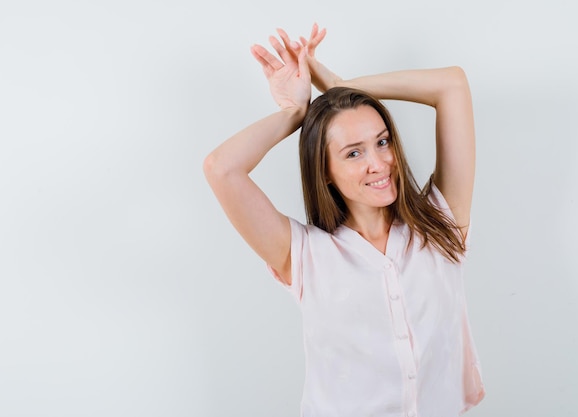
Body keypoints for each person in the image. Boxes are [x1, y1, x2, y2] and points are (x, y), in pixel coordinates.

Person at [203, 23, 485, 417]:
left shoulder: (439, 225)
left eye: (382, 142)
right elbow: (221, 168)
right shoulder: (304, 256)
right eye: (354, 153)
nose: (379, 163)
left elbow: (452, 85)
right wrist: (296, 113)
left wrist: (339, 84)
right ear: (325, 171)